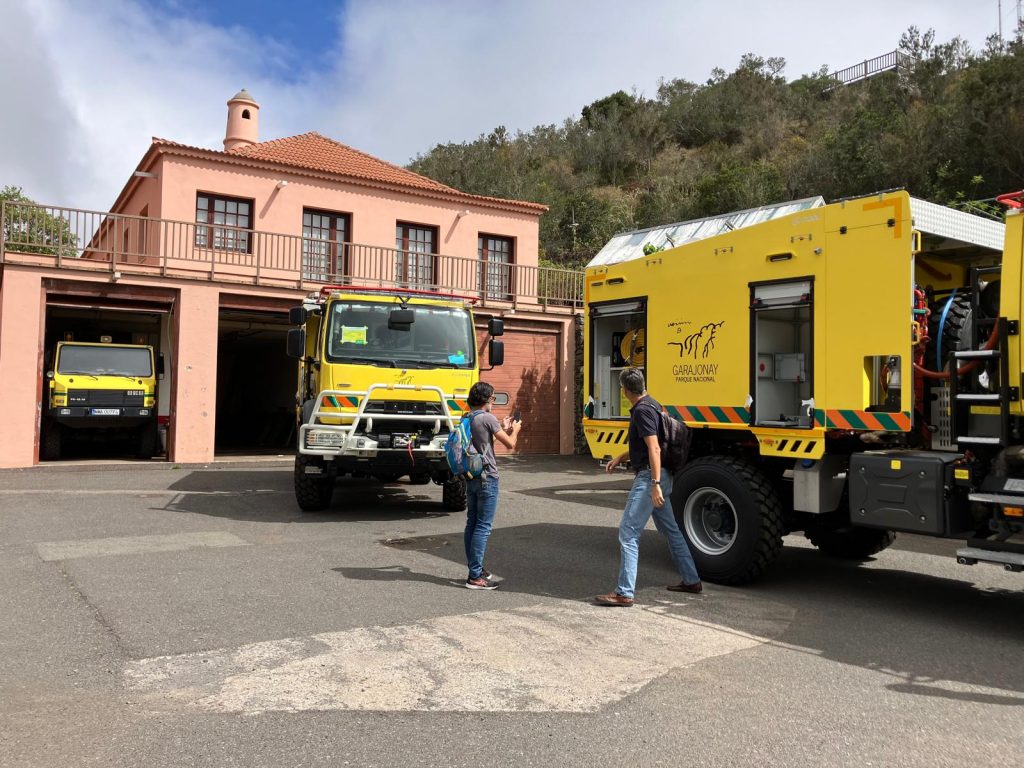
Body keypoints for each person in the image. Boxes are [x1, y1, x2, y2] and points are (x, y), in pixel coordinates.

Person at [595, 367, 701, 606]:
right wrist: (622, 456)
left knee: (628, 534)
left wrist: (654, 484)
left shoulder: (642, 411)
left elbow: (654, 448)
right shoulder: (653, 404)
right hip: (662, 475)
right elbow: (649, 445)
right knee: (672, 531)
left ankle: (624, 592)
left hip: (650, 479)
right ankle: (691, 579)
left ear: (624, 390)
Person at [463, 381, 522, 590]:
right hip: (488, 476)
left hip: (472, 475)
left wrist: (502, 428)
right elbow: (511, 444)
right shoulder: (487, 418)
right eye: (493, 398)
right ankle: (475, 577)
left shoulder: (467, 417)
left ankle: (476, 570)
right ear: (487, 399)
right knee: (483, 526)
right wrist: (514, 429)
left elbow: (484, 444)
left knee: (472, 523)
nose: (493, 402)